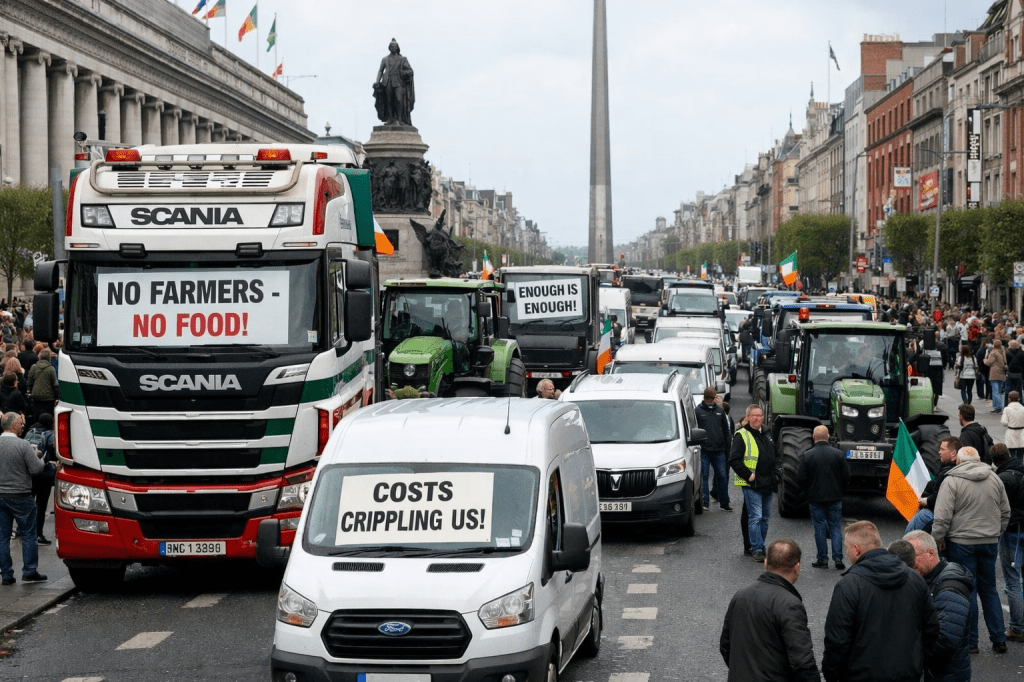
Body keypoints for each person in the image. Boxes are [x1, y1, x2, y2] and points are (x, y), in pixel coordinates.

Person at [822, 520, 940, 682]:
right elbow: (931, 629)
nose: (846, 552)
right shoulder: (915, 580)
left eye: (846, 547)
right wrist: (917, 663)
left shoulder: (849, 585)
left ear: (856, 550)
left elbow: (837, 641)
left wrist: (832, 675)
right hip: (906, 674)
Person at [932, 446, 1011, 654]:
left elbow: (942, 517)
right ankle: (999, 638)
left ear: (958, 461)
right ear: (979, 460)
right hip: (989, 541)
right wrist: (997, 532)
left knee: (968, 589)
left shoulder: (952, 481)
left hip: (961, 542)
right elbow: (1005, 511)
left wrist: (937, 539)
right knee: (989, 589)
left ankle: (971, 642)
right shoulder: (994, 479)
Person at [719, 538, 819, 682]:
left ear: (765, 563)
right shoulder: (790, 604)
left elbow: (726, 646)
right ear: (796, 567)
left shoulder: (741, 595)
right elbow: (802, 662)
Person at [904, 530, 974, 682]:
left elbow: (945, 641)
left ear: (930, 553)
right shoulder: (929, 579)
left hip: (946, 675)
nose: (910, 564)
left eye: (913, 557)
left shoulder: (950, 588)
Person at [0, 412, 47, 585]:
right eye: (20, 423)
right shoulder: (24, 445)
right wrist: (39, 457)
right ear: (13, 426)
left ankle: (6, 574)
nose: (23, 426)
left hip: (0, 496)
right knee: (28, 534)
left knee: (2, 537)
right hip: (21, 496)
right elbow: (35, 470)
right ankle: (29, 571)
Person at [729, 405, 779, 562]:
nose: (758, 418)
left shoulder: (767, 433)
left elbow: (776, 456)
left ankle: (760, 546)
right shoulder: (741, 435)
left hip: (769, 484)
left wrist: (778, 474)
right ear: (748, 418)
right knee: (755, 517)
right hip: (753, 485)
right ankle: (756, 548)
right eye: (755, 415)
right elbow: (734, 459)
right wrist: (748, 475)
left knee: (765, 518)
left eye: (760, 415)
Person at [796, 425, 849, 569]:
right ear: (828, 437)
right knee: (836, 527)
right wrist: (840, 491)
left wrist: (808, 491)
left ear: (814, 437)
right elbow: (846, 477)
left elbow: (801, 478)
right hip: (835, 497)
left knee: (819, 527)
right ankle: (838, 559)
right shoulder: (838, 454)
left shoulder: (808, 455)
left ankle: (822, 559)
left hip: (815, 498)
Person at [992, 443, 1024, 643]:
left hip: (1013, 531)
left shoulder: (1002, 479)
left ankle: (1017, 628)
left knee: (1012, 581)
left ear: (995, 461)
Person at [905, 437, 962, 534]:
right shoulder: (959, 470)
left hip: (935, 514)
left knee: (908, 539)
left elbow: (938, 498)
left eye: (943, 449)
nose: (939, 452)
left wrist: (925, 501)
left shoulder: (946, 473)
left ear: (953, 453)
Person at [696, 387, 732, 511]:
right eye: (708, 398)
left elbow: (726, 431)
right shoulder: (698, 411)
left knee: (722, 476)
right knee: (704, 476)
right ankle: (705, 502)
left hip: (719, 450)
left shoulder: (720, 410)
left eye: (711, 398)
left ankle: (724, 503)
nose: (710, 400)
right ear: (704, 397)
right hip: (704, 450)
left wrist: (728, 448)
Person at [23, 413, 55, 546]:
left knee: (28, 503)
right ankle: (38, 534)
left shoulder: (30, 433)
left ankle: (23, 530)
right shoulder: (50, 435)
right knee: (41, 506)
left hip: (29, 473)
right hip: (44, 473)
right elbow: (53, 452)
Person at [373, 39, 415, 126]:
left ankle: (400, 119)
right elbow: (380, 71)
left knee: (399, 99)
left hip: (399, 81)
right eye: (391, 46)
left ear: (397, 48)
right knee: (389, 100)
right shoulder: (385, 59)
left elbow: (410, 70)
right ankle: (390, 119)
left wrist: (404, 73)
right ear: (389, 48)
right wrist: (377, 81)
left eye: (395, 46)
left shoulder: (402, 59)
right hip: (387, 81)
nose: (393, 48)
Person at [26, 348, 57, 419]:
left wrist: (30, 392)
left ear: (39, 357)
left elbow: (29, 382)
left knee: (37, 416)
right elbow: (55, 384)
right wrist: (56, 396)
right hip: (49, 397)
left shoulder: (34, 367)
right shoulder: (51, 369)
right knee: (48, 416)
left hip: (36, 396)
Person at [985, 338, 1008, 412]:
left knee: (995, 391)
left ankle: (997, 406)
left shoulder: (993, 352)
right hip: (1002, 373)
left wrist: (984, 360)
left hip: (994, 373)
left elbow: (989, 362)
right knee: (999, 390)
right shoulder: (1003, 352)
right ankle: (998, 406)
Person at [1002, 391, 1024, 460]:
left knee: (1012, 454)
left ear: (1009, 399)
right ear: (1019, 398)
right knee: (1021, 454)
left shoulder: (1007, 409)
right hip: (1022, 432)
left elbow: (1004, 422)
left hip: (1011, 432)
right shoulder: (1023, 409)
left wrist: (1010, 424)